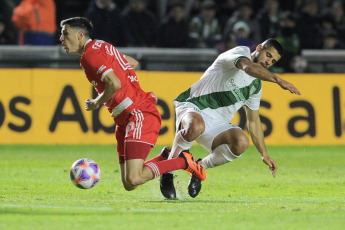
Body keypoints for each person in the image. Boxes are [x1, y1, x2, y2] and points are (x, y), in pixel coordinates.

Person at [59, 17, 206, 192]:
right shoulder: (101, 46)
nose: (61, 39)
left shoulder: (89, 56)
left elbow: (114, 84)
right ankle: (166, 156)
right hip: (124, 119)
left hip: (137, 114)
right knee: (130, 184)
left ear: (80, 35)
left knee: (135, 177)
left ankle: (184, 161)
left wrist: (96, 103)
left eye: (65, 34)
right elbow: (132, 63)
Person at [159, 38, 301, 199]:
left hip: (216, 123)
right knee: (196, 126)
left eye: (273, 61)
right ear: (259, 48)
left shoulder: (255, 86)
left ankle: (198, 168)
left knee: (242, 142)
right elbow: (248, 67)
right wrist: (278, 80)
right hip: (193, 105)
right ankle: (167, 172)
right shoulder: (240, 52)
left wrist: (264, 154)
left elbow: (253, 121)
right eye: (268, 55)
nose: (268, 62)